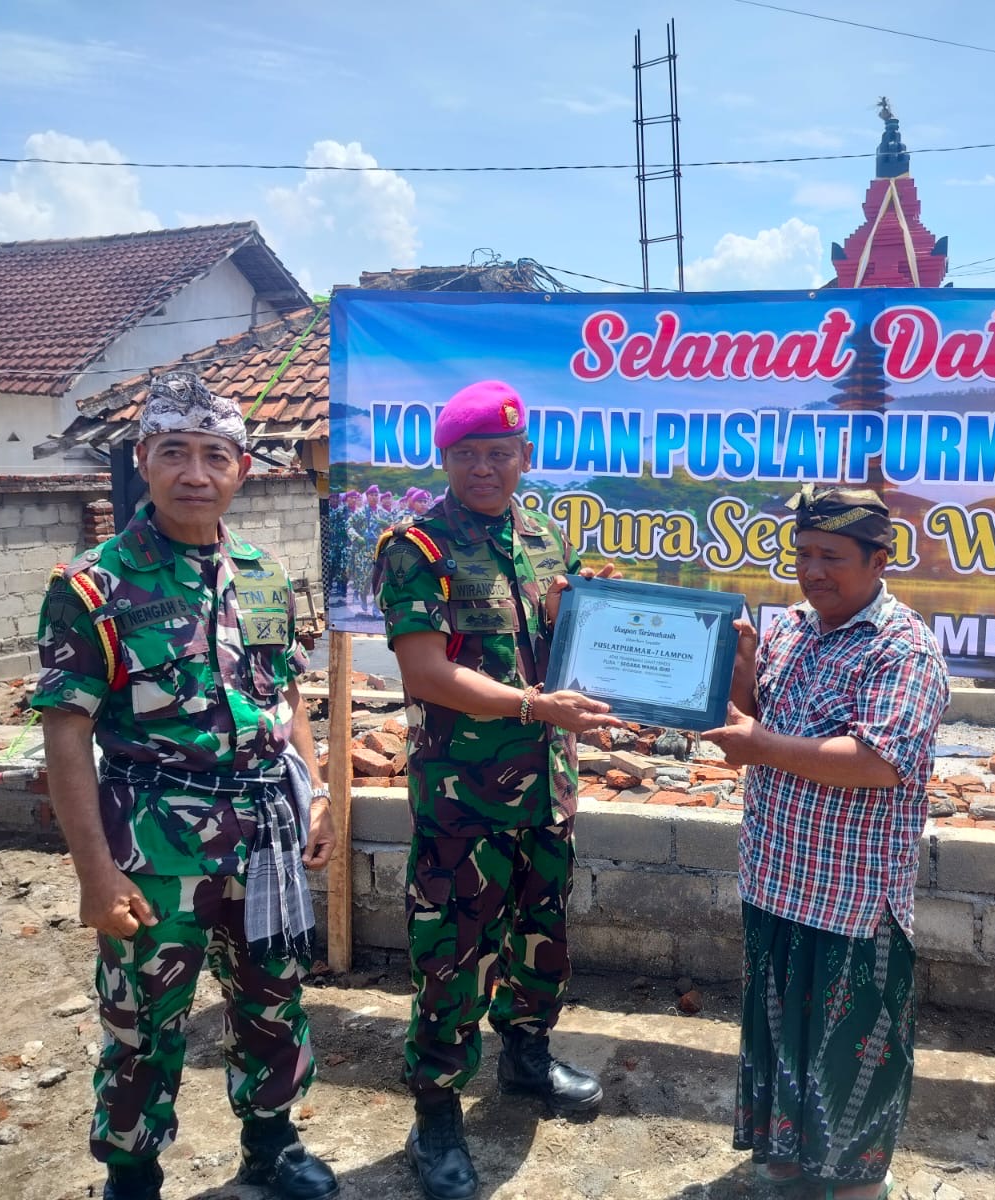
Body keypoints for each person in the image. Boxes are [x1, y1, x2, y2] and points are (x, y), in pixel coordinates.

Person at [33, 374, 338, 1200]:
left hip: (265, 835)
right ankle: (132, 1174)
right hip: (154, 844)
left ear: (242, 468)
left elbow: (286, 694)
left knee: (274, 996)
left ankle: (271, 1144)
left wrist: (315, 795)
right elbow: (66, 734)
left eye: (214, 455)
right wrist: (95, 875)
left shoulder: (265, 574)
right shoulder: (93, 584)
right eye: (175, 453)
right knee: (142, 1020)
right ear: (144, 460)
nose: (195, 473)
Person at [375, 380, 622, 1200]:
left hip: (547, 790)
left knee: (540, 937)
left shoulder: (545, 540)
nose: (484, 468)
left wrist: (601, 619)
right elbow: (425, 672)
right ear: (445, 459)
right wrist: (532, 706)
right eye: (468, 454)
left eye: (500, 453)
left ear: (525, 455)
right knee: (451, 955)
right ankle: (436, 1111)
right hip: (465, 801)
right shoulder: (418, 548)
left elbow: (564, 653)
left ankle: (526, 1057)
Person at [705, 484, 949, 1200]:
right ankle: (784, 1157)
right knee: (778, 1036)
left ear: (879, 560)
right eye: (803, 553)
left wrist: (760, 744)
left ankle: (855, 1184)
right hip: (775, 875)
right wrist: (741, 670)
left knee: (853, 1049)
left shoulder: (903, 648)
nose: (813, 571)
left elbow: (878, 762)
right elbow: (754, 717)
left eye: (832, 557)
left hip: (852, 896)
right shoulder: (789, 628)